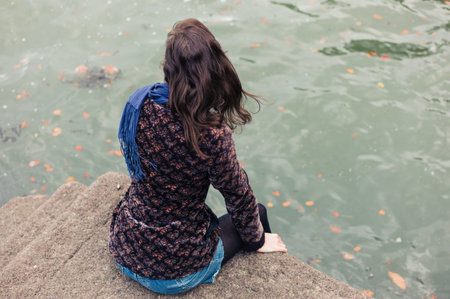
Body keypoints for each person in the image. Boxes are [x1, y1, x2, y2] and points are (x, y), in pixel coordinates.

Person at [109, 18, 287, 295]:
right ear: (215, 70)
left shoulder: (141, 102)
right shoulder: (211, 135)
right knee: (257, 215)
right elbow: (238, 197)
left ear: (166, 66)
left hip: (125, 248)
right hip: (175, 273)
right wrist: (256, 241)